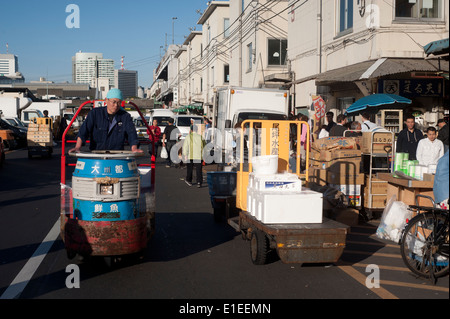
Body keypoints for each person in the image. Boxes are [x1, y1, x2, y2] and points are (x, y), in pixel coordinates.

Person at [70, 88, 142, 153]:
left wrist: (134, 148)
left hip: (117, 156)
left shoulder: (125, 116)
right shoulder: (94, 114)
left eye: (119, 102)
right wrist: (77, 147)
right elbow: (83, 131)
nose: (116, 105)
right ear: (106, 100)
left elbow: (131, 134)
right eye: (113, 102)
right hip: (97, 154)